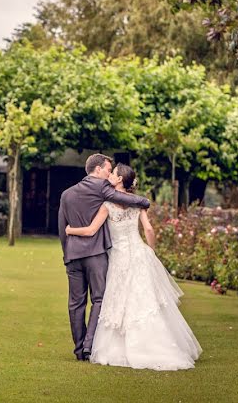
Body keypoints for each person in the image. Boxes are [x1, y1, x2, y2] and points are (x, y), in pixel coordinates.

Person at [66, 163, 202, 370]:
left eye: (113, 173)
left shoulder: (107, 205)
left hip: (119, 257)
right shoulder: (137, 204)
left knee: (117, 299)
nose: (110, 174)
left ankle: (115, 347)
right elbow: (148, 229)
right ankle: (155, 345)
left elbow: (91, 230)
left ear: (119, 179)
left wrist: (70, 230)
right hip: (138, 253)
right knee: (144, 300)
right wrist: (151, 250)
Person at [58, 154, 151, 361]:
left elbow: (62, 229)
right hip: (95, 254)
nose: (110, 174)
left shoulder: (66, 194)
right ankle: (89, 345)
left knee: (75, 303)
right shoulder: (102, 188)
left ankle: (79, 350)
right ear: (98, 169)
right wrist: (144, 201)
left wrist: (67, 254)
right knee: (98, 299)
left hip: (73, 254)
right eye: (108, 169)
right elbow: (125, 198)